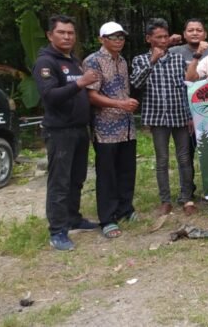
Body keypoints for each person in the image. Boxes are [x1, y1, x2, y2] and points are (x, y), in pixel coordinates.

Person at [32, 15, 99, 251]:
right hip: (60, 131)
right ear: (50, 35)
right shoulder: (46, 63)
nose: (67, 37)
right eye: (61, 32)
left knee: (76, 178)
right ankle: (58, 231)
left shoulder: (74, 61)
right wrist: (80, 83)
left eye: (70, 33)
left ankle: (73, 218)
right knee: (59, 181)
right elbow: (50, 96)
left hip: (79, 128)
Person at [130, 18, 196, 216]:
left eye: (165, 37)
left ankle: (187, 198)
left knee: (184, 158)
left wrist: (190, 115)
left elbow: (186, 87)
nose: (162, 40)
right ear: (148, 39)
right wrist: (152, 61)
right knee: (162, 160)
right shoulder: (140, 60)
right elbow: (136, 83)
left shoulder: (177, 59)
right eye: (158, 37)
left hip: (179, 115)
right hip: (157, 116)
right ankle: (165, 200)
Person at [83, 22, 139, 239]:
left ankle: (125, 208)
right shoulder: (93, 61)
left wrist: (125, 106)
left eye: (121, 37)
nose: (118, 41)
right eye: (113, 37)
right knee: (107, 174)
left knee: (127, 170)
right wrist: (120, 104)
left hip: (126, 126)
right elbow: (91, 95)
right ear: (102, 39)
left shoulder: (122, 61)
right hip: (105, 128)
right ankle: (107, 218)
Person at [169, 18, 208, 192]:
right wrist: (168, 41)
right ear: (184, 34)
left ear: (205, 34)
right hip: (183, 110)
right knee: (185, 155)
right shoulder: (174, 51)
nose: (195, 33)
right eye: (190, 30)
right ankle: (187, 191)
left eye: (199, 30)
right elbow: (154, 52)